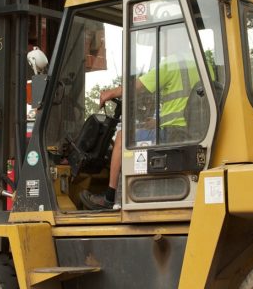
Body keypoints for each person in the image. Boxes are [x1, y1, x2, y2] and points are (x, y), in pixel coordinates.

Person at [80, 47, 200, 210]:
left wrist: (111, 93)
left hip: (171, 133)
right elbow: (188, 105)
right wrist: (157, 121)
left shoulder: (170, 65)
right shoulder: (199, 64)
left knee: (122, 137)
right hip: (190, 131)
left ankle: (109, 197)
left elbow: (138, 86)